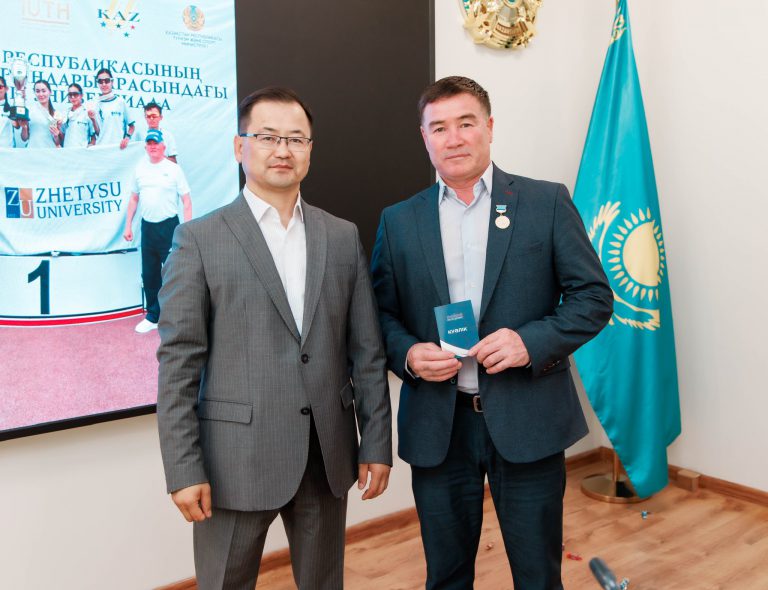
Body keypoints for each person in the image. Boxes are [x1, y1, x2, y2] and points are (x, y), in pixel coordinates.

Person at [370, 76, 613, 590]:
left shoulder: (545, 202)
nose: (454, 138)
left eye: (466, 123)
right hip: (440, 428)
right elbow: (380, 316)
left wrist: (531, 342)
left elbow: (593, 298)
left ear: (490, 127)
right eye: (439, 127)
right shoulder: (399, 221)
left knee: (538, 576)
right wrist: (409, 354)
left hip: (529, 420)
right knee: (447, 576)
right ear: (424, 137)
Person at [156, 87, 392, 590]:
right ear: (239, 147)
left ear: (310, 150)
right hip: (233, 462)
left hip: (326, 456)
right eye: (267, 137)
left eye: (296, 139)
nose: (283, 150)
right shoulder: (199, 239)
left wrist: (375, 441)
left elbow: (367, 352)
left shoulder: (341, 236)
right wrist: (183, 468)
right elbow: (178, 363)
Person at [123, 130, 192, 333]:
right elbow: (134, 198)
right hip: (148, 228)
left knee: (174, 273)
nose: (153, 146)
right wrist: (128, 225)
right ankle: (153, 316)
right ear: (146, 147)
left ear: (163, 146)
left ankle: (178, 316)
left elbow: (186, 200)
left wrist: (186, 229)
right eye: (150, 143)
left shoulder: (174, 170)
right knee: (150, 274)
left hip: (169, 227)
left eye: (156, 143)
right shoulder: (139, 169)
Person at [94, 68, 134, 148]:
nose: (104, 84)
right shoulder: (95, 104)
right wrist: (92, 119)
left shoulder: (120, 102)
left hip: (118, 148)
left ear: (112, 82)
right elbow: (98, 132)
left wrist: (127, 138)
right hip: (101, 148)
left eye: (107, 81)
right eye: (100, 81)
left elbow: (132, 126)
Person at [18, 80, 63, 148]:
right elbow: (24, 138)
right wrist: (24, 127)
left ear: (50, 92)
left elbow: (57, 143)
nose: (41, 94)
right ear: (35, 93)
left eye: (43, 91)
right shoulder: (29, 111)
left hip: (50, 151)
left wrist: (56, 135)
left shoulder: (56, 114)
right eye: (38, 91)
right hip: (33, 150)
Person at [62, 83, 100, 148]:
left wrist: (90, 145)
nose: (73, 97)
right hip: (67, 152)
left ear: (81, 95)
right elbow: (62, 135)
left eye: (75, 94)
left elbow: (94, 137)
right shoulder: (65, 113)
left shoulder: (87, 113)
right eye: (70, 95)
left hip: (82, 152)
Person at [0, 76, 16, 148]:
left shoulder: (12, 109)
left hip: (7, 150)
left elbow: (17, 126)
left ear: (6, 89)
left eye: (0, 87)